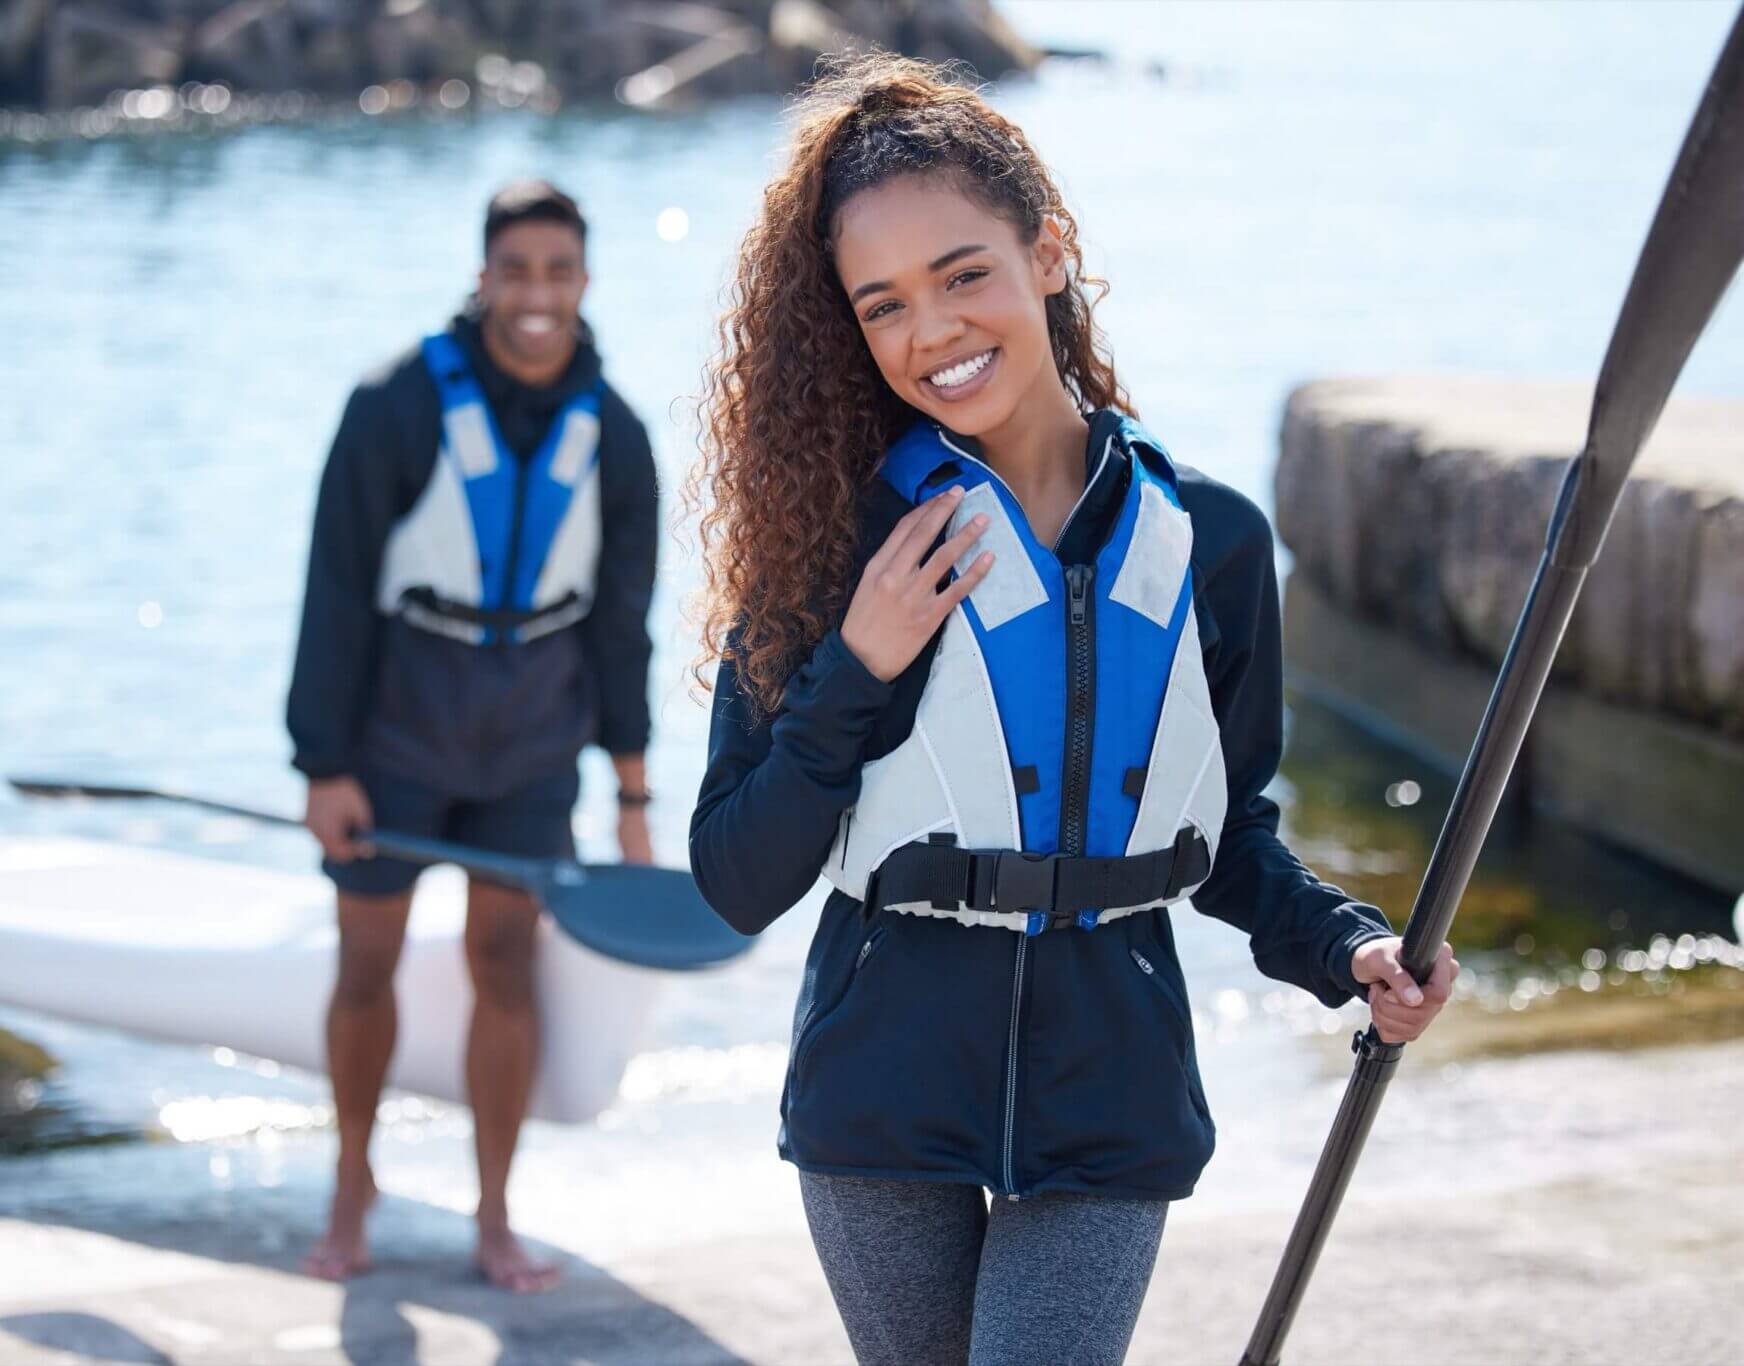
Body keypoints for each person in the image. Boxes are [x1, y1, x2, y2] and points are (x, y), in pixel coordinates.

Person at [686, 57, 1458, 1364]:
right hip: (882, 1086)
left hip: (1111, 1086)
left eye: (963, 272)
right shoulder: (832, 544)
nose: (931, 330)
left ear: (1049, 253)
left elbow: (1232, 842)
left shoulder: (1205, 540)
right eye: (884, 305)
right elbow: (734, 875)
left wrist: (1350, 948)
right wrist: (856, 666)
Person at [287, 180, 658, 1291]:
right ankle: (351, 1182)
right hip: (400, 721)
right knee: (367, 958)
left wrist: (633, 798)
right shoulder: (395, 402)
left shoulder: (617, 435)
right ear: (483, 275)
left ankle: (494, 1214)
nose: (536, 294)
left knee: (505, 962)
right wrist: (323, 763)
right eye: (517, 270)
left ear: (584, 282)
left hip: (534, 731)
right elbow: (336, 588)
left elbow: (622, 626)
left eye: (558, 271)